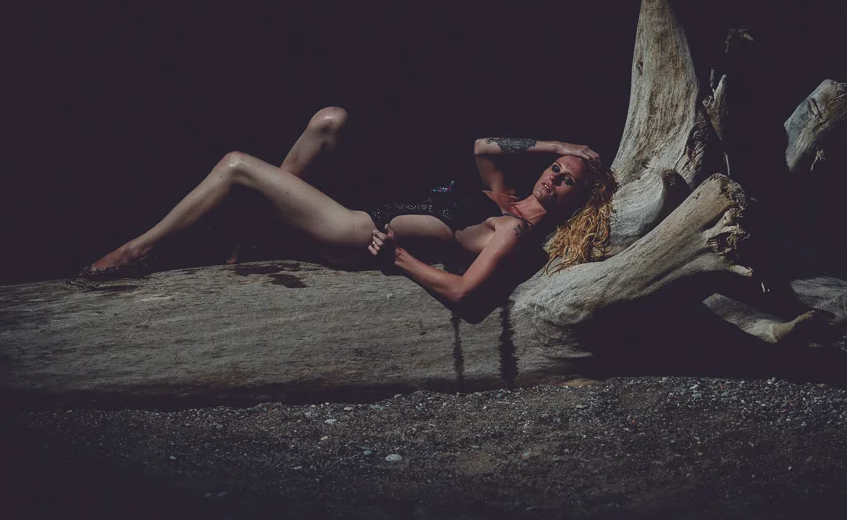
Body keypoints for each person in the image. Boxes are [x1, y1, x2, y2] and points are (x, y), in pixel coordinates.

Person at [82, 107, 619, 318]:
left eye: (567, 180)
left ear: (579, 200)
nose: (553, 177)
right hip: (358, 210)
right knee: (330, 120)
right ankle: (259, 231)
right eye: (555, 168)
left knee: (237, 164)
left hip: (354, 232)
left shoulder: (514, 230)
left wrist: (400, 259)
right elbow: (483, 144)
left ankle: (138, 249)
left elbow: (464, 295)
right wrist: (559, 143)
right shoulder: (503, 195)